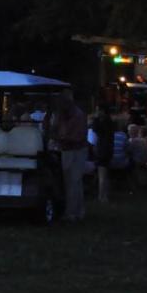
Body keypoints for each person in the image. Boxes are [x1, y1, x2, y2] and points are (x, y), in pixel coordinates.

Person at [49, 90, 88, 221]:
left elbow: (77, 137)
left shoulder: (78, 116)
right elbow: (55, 129)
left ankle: (73, 213)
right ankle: (74, 211)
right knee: (69, 182)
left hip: (76, 150)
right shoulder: (61, 115)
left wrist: (60, 138)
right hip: (66, 150)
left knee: (74, 182)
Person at [89, 105, 116, 204]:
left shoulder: (103, 123)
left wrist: (95, 118)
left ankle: (101, 196)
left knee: (102, 174)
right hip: (108, 150)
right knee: (105, 173)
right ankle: (105, 194)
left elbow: (95, 128)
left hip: (102, 150)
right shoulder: (110, 122)